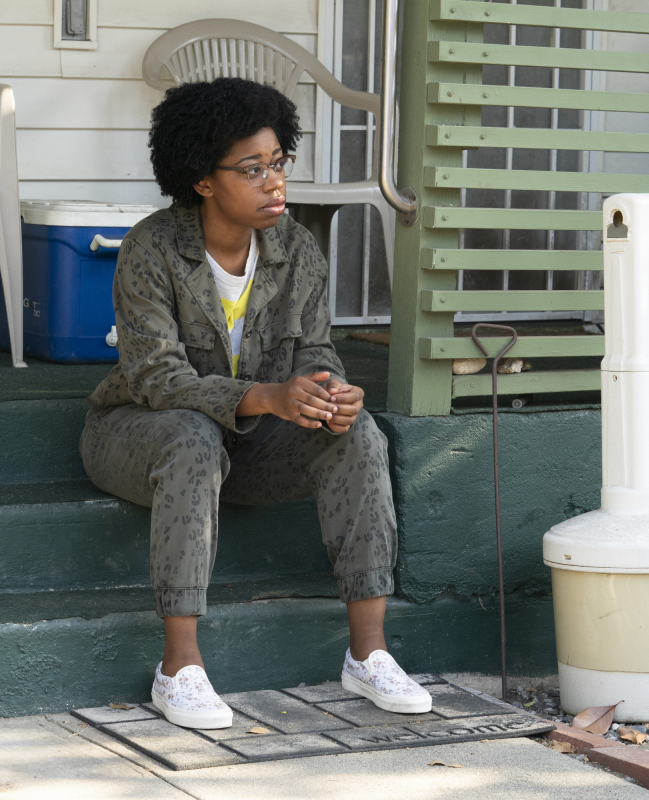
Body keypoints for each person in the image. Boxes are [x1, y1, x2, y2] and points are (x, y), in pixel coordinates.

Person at [80, 77, 431, 730]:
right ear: (202, 180)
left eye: (278, 162)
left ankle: (369, 655)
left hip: (250, 445)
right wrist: (266, 395)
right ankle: (179, 668)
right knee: (191, 437)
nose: (275, 183)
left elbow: (316, 351)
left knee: (358, 434)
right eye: (252, 169)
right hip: (139, 434)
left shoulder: (297, 249)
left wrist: (329, 392)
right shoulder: (151, 249)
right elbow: (157, 378)